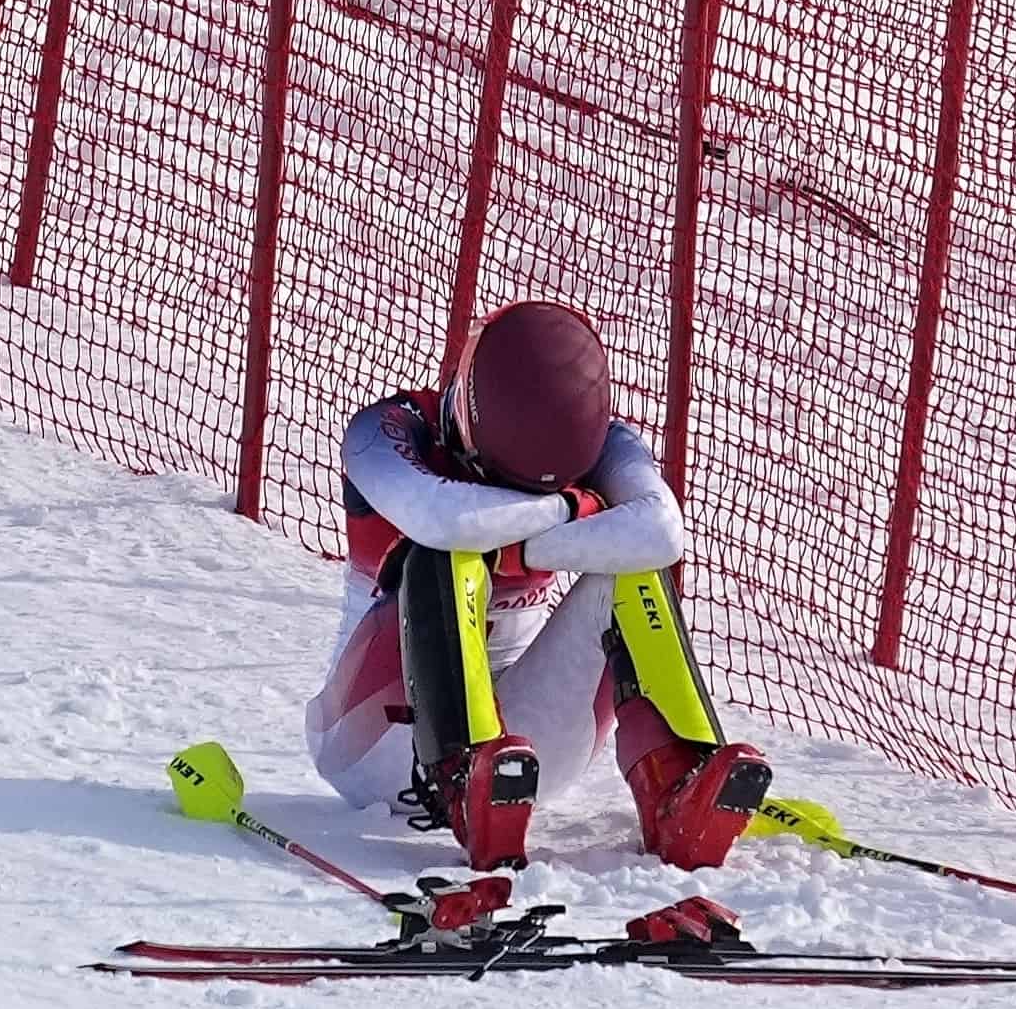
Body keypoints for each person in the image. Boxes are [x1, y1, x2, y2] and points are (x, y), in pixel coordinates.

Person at [302, 297, 769, 872]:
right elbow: (443, 520)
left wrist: (520, 539)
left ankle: (675, 783)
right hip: (377, 743)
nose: (517, 498)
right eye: (502, 483)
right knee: (445, 554)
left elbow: (661, 532)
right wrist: (568, 509)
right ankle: (461, 774)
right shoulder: (388, 430)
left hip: (520, 762)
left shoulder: (610, 443)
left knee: (633, 568)